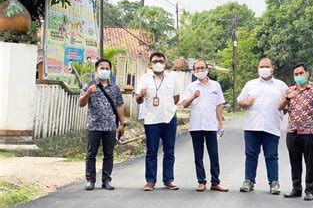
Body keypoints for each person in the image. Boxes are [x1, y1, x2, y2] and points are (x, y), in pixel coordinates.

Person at [237, 57, 288, 195]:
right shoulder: (250, 84)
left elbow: (287, 105)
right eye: (261, 66)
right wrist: (246, 102)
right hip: (252, 126)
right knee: (251, 155)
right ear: (258, 68)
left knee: (271, 156)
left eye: (266, 66)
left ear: (273, 68)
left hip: (271, 126)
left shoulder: (281, 86)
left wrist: (279, 113)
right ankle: (249, 181)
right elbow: (240, 101)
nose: (264, 69)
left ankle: (274, 182)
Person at [136, 52, 181, 191]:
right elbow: (138, 99)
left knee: (169, 151)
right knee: (152, 151)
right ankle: (150, 181)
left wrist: (167, 107)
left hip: (169, 119)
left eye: (161, 61)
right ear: (150, 64)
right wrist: (141, 95)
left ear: (165, 62)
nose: (158, 63)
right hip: (152, 120)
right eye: (155, 61)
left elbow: (176, 97)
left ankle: (168, 180)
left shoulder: (172, 79)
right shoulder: (144, 79)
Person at [181, 60, 228, 192]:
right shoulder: (191, 87)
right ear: (194, 71)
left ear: (207, 69)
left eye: (202, 68)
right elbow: (184, 104)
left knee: (214, 154)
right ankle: (201, 181)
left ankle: (215, 181)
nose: (200, 71)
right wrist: (193, 96)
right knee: (198, 155)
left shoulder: (215, 86)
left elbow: (219, 105)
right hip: (196, 125)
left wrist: (220, 122)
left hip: (211, 125)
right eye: (197, 69)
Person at [78, 58, 125, 191]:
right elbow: (81, 103)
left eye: (107, 68)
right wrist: (88, 93)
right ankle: (90, 180)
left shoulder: (114, 88)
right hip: (94, 125)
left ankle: (106, 180)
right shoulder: (89, 86)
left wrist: (122, 123)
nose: (104, 70)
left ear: (110, 71)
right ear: (96, 70)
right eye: (101, 68)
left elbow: (119, 106)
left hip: (110, 126)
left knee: (109, 154)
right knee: (91, 154)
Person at [277, 62, 313, 201]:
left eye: (301, 73)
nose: (299, 76)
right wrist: (288, 97)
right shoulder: (289, 90)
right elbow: (280, 107)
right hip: (292, 131)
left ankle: (310, 190)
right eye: (296, 74)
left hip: (309, 132)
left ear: (307, 74)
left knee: (310, 162)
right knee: (294, 162)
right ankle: (296, 188)